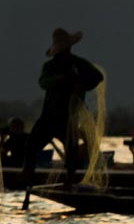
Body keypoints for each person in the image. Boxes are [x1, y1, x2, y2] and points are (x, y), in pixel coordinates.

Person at [20, 28, 104, 189]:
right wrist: (61, 79)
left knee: (71, 152)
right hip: (49, 116)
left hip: (68, 117)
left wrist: (80, 82)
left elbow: (97, 77)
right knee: (31, 146)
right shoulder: (50, 66)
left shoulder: (78, 64)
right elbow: (43, 82)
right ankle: (27, 176)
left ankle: (69, 181)